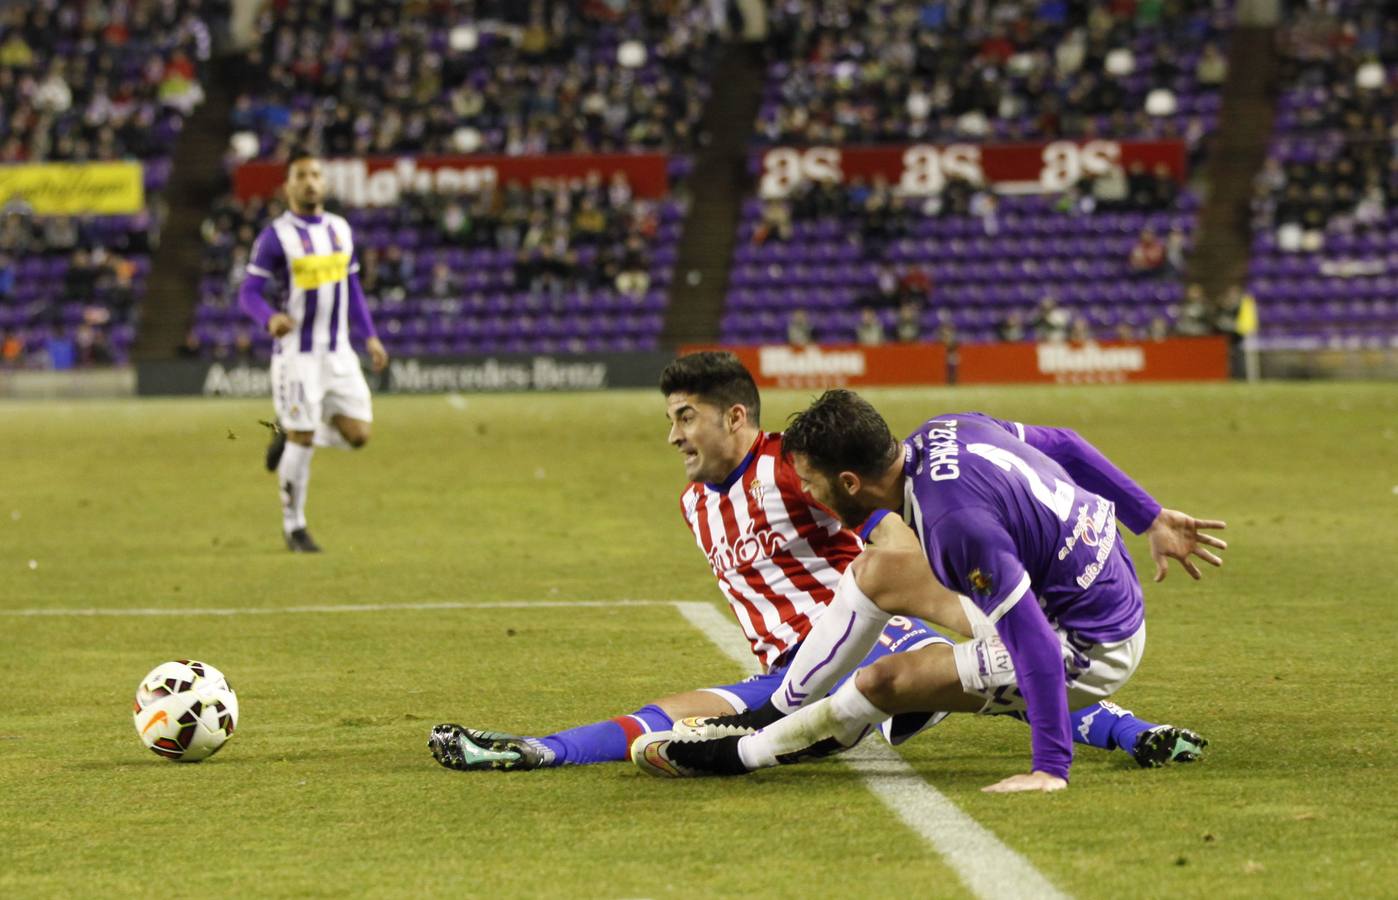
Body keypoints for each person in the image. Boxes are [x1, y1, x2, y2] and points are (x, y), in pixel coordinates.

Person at [429, 354, 1194, 773]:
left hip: (857, 650)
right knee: (995, 661)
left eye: (684, 417)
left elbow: (895, 548)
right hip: (786, 657)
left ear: (735, 416)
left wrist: (935, 596)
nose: (673, 436)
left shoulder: (795, 469)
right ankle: (1125, 729)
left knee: (994, 650)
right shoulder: (696, 502)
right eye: (669, 419)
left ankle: (543, 752)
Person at [633, 390, 1221, 791]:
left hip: (1089, 646)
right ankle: (781, 705)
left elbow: (1035, 646)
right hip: (1096, 577)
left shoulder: (952, 527)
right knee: (877, 569)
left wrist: (1050, 770)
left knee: (882, 683)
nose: (807, 493)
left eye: (809, 482)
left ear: (849, 482)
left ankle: (742, 755)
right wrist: (1149, 517)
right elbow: (1063, 442)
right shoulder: (947, 429)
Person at [237, 148, 389, 553]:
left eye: (316, 175)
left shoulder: (340, 229)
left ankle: (287, 429)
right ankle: (294, 526)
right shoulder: (276, 236)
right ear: (288, 185)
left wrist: (370, 335)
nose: (310, 181)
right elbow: (248, 292)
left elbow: (352, 288)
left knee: (359, 435)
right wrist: (269, 318)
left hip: (338, 353)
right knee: (304, 439)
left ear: (325, 183)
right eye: (301, 175)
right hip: (297, 357)